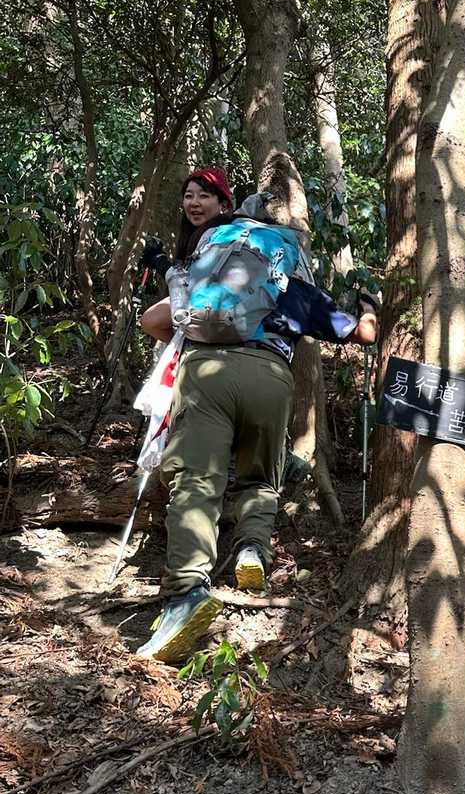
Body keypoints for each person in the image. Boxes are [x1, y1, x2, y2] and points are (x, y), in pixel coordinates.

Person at [134, 167, 378, 664]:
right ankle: (251, 549)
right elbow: (363, 335)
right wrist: (369, 307)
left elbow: (156, 319)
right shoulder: (287, 280)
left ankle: (187, 593)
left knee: (196, 480)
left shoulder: (207, 272)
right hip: (269, 377)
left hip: (204, 373)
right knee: (259, 477)